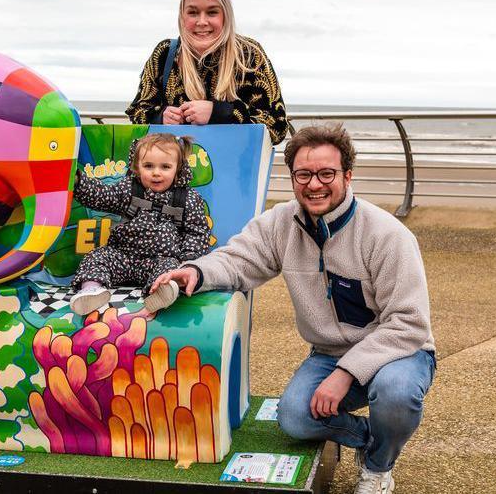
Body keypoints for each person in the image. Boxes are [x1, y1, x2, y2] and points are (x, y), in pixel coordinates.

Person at [151, 123, 435, 494]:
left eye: (326, 173)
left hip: (398, 353)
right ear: (293, 177)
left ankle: (379, 467)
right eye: (304, 174)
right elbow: (238, 260)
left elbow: (408, 324)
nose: (314, 184)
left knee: (396, 395)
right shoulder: (281, 223)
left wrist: (346, 373)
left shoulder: (387, 234)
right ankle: (371, 442)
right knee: (295, 419)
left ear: (347, 176)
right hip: (329, 353)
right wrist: (195, 272)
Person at [125, 0, 290, 145]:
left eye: (212, 12)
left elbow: (277, 127)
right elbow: (138, 113)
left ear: (226, 16)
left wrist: (218, 112)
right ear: (182, 17)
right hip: (173, 168)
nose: (202, 22)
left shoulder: (249, 54)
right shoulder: (164, 53)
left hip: (236, 167)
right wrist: (161, 118)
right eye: (193, 12)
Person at [68, 133, 211, 317]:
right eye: (148, 166)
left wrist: (187, 262)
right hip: (123, 256)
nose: (156, 172)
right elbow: (103, 196)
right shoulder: (129, 189)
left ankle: (162, 292)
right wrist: (79, 183)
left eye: (165, 167)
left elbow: (196, 233)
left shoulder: (187, 199)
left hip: (160, 259)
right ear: (137, 167)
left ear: (178, 169)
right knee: (98, 256)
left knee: (170, 269)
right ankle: (91, 291)